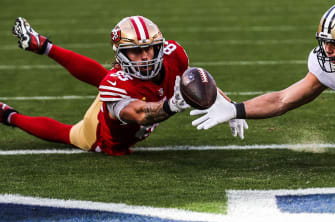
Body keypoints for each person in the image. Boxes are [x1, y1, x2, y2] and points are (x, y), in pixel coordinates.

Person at [2, 16, 247, 155]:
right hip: (104, 132)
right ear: (121, 55)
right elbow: (140, 114)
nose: (145, 56)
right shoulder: (115, 84)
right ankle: (9, 115)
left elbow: (197, 85)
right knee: (68, 134)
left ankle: (44, 46)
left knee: (107, 79)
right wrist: (171, 105)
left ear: (159, 46)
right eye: (136, 52)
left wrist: (229, 105)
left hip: (129, 91)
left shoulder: (174, 54)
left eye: (149, 48)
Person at [190, 2, 335, 148]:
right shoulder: (326, 65)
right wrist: (236, 109)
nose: (328, 50)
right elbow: (283, 100)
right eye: (325, 42)